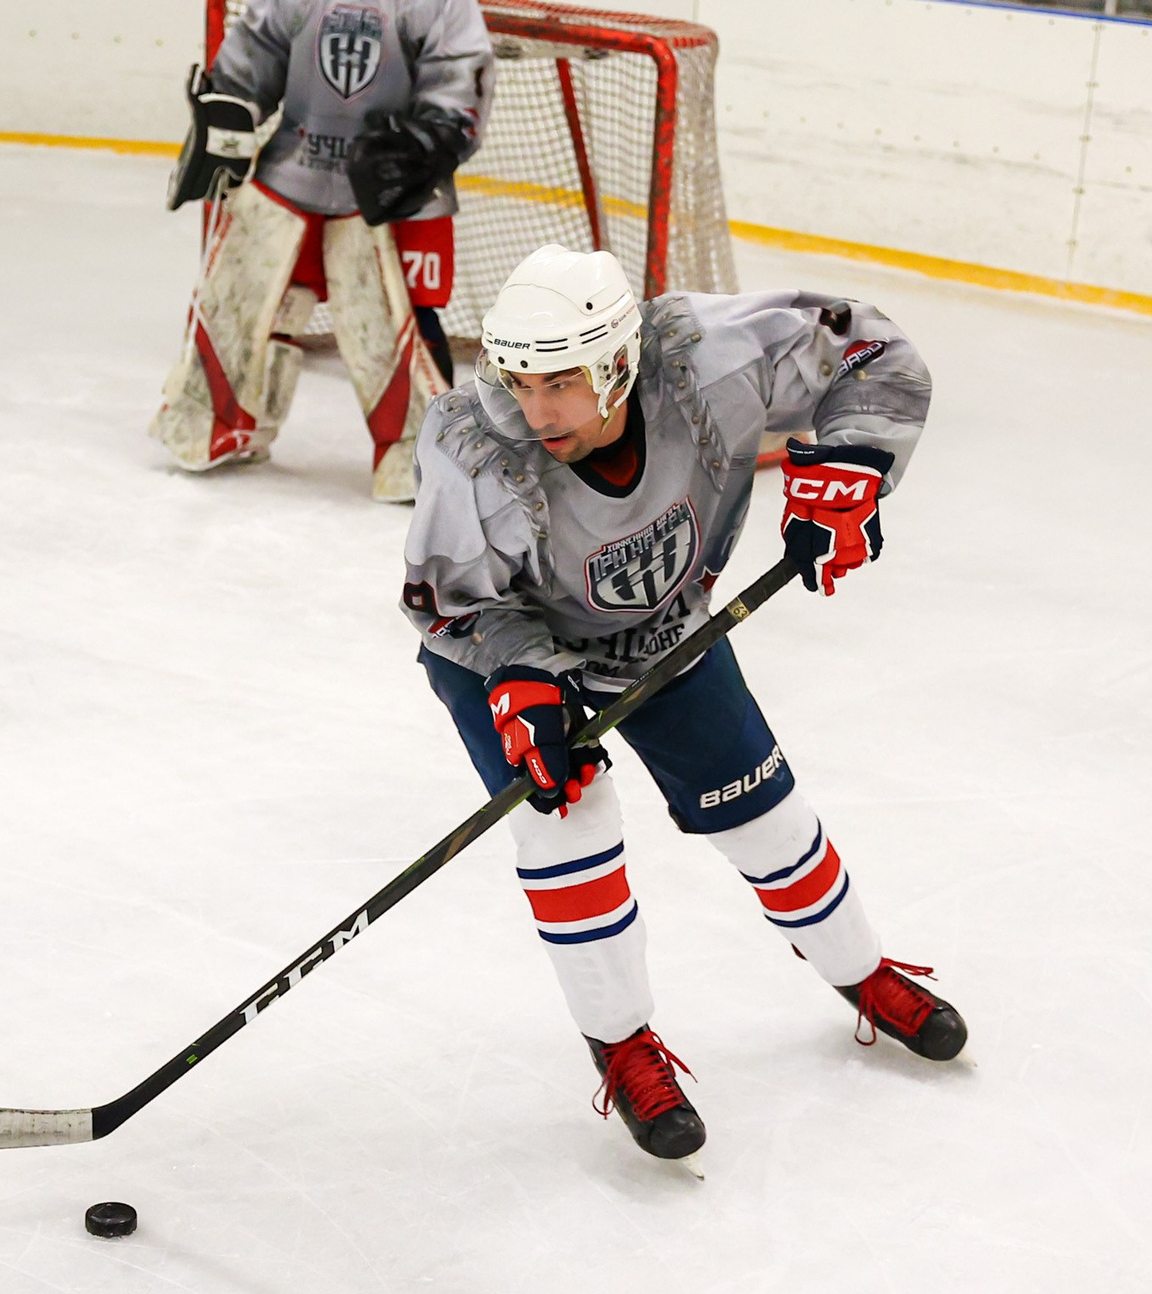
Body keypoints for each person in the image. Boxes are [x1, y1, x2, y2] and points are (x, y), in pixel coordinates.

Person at [402, 244, 967, 1161]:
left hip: (664, 631)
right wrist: (519, 677)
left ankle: (863, 974)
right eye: (520, 381)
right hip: (509, 652)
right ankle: (622, 1044)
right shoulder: (476, 442)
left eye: (560, 383)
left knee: (764, 814)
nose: (535, 411)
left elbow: (870, 349)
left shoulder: (710, 355)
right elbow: (450, 600)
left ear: (619, 361)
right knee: (569, 823)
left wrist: (856, 460)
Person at [153, 0, 492, 502]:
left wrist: (433, 138)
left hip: (395, 191)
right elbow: (257, 48)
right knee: (245, 302)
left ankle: (420, 456)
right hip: (290, 177)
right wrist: (227, 110)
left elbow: (459, 69)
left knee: (402, 322)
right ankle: (219, 425)